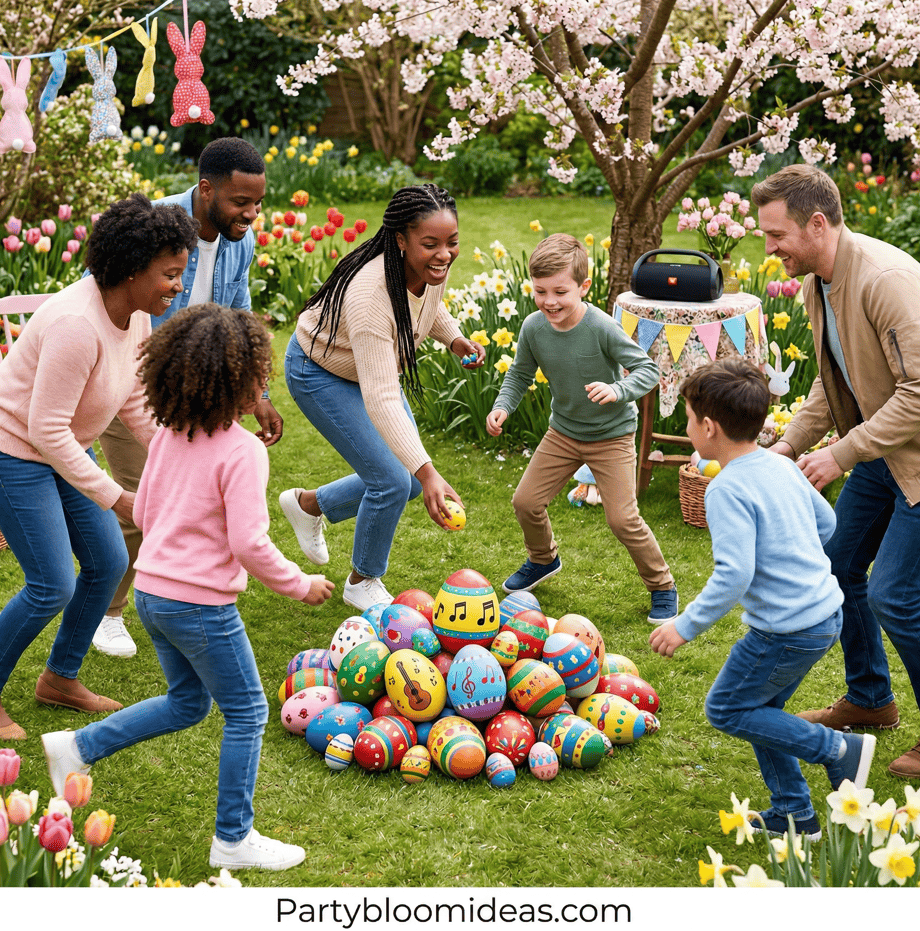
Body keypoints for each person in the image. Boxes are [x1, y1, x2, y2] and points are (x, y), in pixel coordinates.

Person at [42, 303, 334, 871]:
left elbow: (146, 511)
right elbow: (250, 542)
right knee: (248, 711)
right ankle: (233, 838)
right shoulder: (243, 451)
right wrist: (300, 584)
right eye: (261, 375)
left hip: (151, 594)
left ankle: (77, 748)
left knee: (187, 702)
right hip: (200, 605)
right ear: (243, 382)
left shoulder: (170, 436)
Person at [0, 193, 199, 741]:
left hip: (65, 445)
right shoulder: (76, 325)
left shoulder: (133, 315)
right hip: (14, 451)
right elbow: (43, 430)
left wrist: (177, 453)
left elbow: (133, 399)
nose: (177, 286)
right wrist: (119, 497)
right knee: (49, 584)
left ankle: (59, 679)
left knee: (108, 562)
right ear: (132, 270)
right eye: (169, 274)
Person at [650, 358, 875, 839]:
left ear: (708, 428)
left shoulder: (726, 487)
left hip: (785, 631)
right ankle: (795, 813)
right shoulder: (779, 462)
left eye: (688, 418)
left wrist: (682, 625)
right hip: (823, 615)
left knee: (729, 708)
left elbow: (735, 575)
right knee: (762, 712)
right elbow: (827, 524)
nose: (687, 426)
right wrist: (794, 557)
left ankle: (838, 750)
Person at [752, 164, 920, 779]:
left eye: (776, 236)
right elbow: (834, 381)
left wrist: (841, 453)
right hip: (883, 451)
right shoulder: (819, 282)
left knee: (895, 596)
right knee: (836, 567)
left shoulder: (885, 281)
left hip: (915, 459)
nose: (769, 251)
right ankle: (871, 699)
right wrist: (788, 445)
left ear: (816, 224)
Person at [92, 137, 279, 659]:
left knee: (205, 490)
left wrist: (256, 391)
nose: (251, 214)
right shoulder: (154, 228)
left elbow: (238, 311)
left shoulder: (238, 241)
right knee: (140, 497)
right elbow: (101, 293)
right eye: (241, 203)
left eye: (258, 203)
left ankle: (191, 592)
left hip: (189, 393)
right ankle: (108, 614)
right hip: (131, 382)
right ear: (205, 190)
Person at [280, 183, 485, 612]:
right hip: (319, 370)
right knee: (395, 480)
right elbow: (383, 398)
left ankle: (308, 505)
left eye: (452, 243)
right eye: (430, 244)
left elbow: (426, 305)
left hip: (365, 370)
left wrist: (454, 339)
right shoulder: (371, 296)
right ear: (401, 239)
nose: (444, 254)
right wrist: (430, 473)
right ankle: (363, 580)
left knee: (405, 477)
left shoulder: (427, 269)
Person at [486, 233, 678, 622]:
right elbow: (519, 375)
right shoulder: (533, 328)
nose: (549, 301)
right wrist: (502, 406)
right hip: (564, 433)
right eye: (540, 291)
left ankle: (663, 586)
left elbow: (648, 370)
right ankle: (543, 560)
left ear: (584, 287)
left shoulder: (601, 327)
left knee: (622, 519)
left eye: (560, 291)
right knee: (525, 502)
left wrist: (616, 389)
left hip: (612, 437)